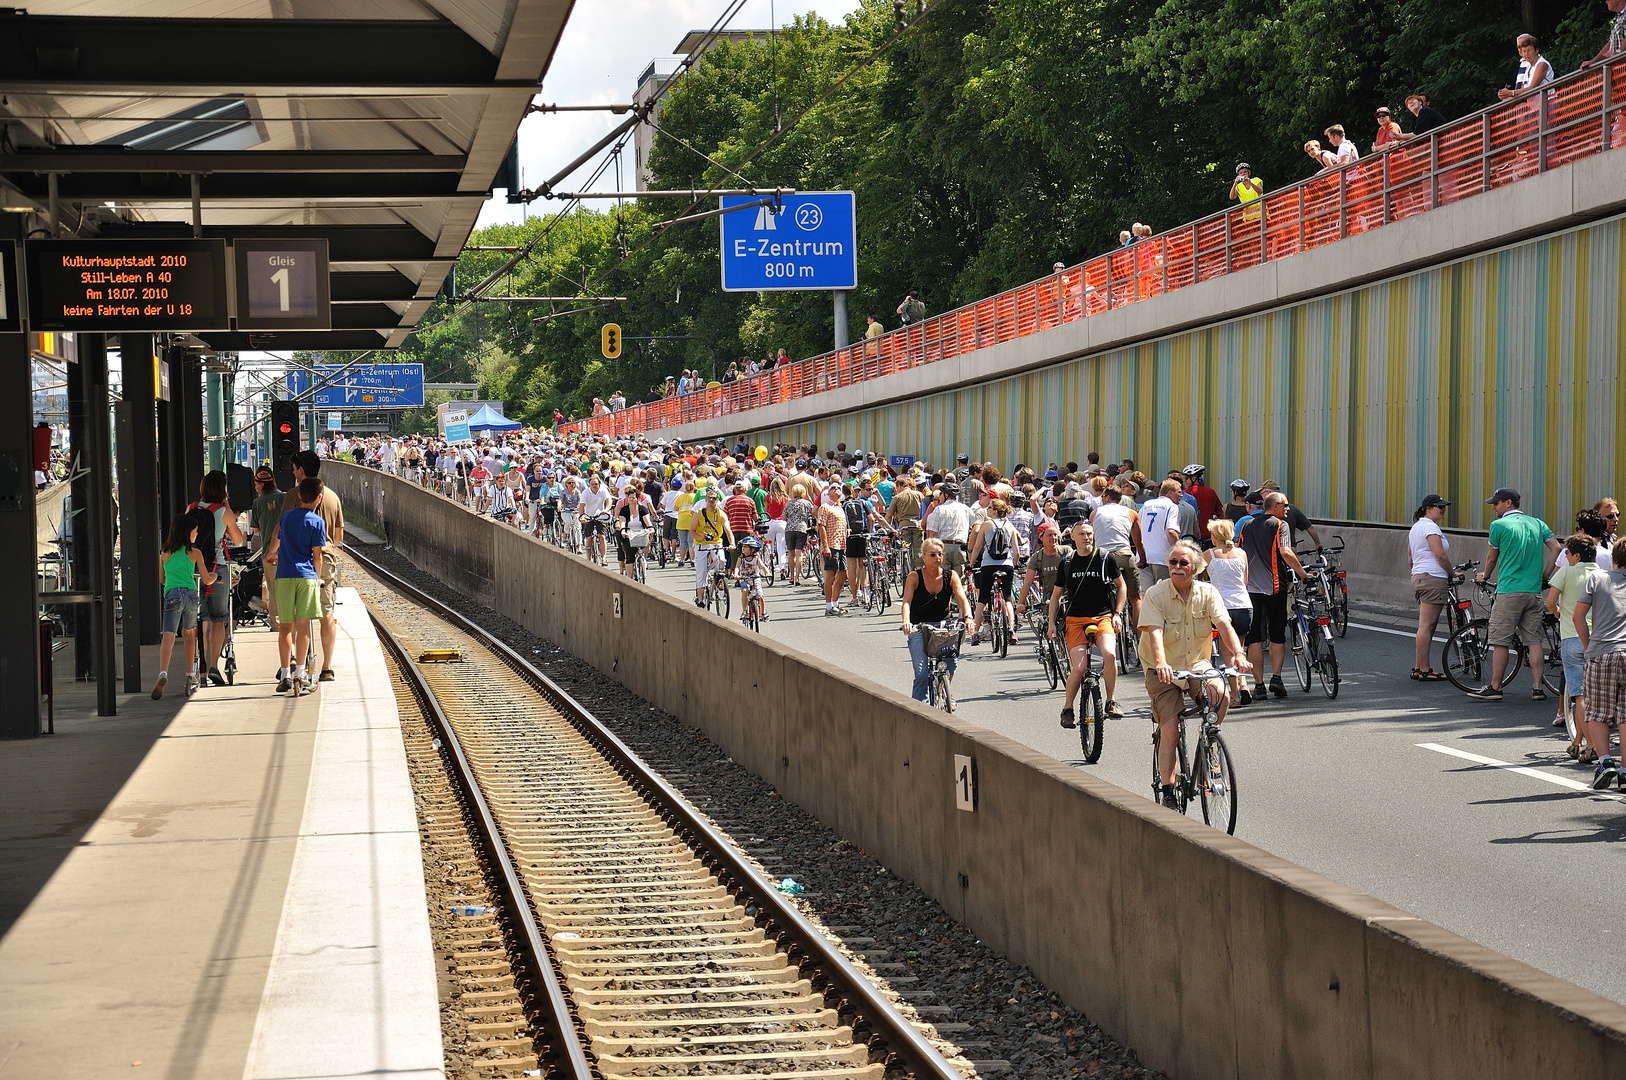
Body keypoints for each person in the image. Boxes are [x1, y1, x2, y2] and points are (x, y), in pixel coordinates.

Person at [1140, 539, 1251, 809]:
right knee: (1170, 730)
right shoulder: (1156, 594)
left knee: (1221, 693)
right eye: (1173, 562)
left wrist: (1238, 653)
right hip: (1162, 667)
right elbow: (1154, 633)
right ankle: (1168, 790)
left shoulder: (1208, 593)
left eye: (1183, 563)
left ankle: (1209, 741)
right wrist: (1161, 663)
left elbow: (1224, 625)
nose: (1177, 567)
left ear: (1197, 568)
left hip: (1196, 664)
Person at [1473, 487, 1560, 701]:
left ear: (1509, 503)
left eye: (1496, 503)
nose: (1493, 507)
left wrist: (1485, 575)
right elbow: (1557, 548)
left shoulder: (1498, 525)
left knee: (1500, 640)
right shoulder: (1537, 523)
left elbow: (1492, 558)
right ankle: (1538, 688)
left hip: (1509, 590)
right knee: (1534, 640)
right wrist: (1545, 577)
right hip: (1533, 591)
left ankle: (1495, 687)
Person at [1049, 520, 1125, 726]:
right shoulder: (1067, 562)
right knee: (1079, 668)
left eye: (1089, 533)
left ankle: (1111, 701)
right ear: (1072, 537)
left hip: (1102, 617)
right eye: (1082, 534)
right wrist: (1052, 624)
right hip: (1075, 620)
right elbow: (1056, 595)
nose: (1087, 537)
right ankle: (1067, 708)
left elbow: (1122, 586)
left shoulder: (1104, 558)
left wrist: (1117, 614)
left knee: (1109, 654)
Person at [1240, 491, 1309, 699]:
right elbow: (1286, 552)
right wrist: (1303, 574)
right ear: (1275, 506)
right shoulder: (1281, 525)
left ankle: (1258, 685)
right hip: (1275, 587)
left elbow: (1240, 552)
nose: (1288, 509)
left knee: (1255, 638)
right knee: (1277, 633)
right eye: (1285, 506)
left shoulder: (1247, 525)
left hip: (1251, 589)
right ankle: (1276, 679)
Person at [1573, 541, 1626, 790]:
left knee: (1597, 712)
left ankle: (1605, 762)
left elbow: (1578, 615)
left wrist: (1588, 645)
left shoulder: (1597, 578)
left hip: (1601, 652)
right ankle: (1625, 771)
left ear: (1614, 558)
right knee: (1625, 716)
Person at [187, 470, 246, 688]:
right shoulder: (223, 512)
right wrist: (228, 508)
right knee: (218, 616)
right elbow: (238, 540)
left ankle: (200, 670)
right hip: (216, 568)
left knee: (199, 617)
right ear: (223, 490)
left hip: (192, 569)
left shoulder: (191, 508)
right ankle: (213, 666)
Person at [270, 477, 328, 696]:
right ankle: (300, 674)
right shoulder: (317, 522)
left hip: (284, 575)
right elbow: (317, 555)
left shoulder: (286, 517)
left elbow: (279, 537)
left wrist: (272, 553)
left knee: (286, 627)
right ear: (319, 498)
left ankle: (285, 672)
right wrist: (317, 577)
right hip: (306, 577)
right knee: (303, 626)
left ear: (300, 496)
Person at [900, 538, 973, 702]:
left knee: (951, 664)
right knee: (921, 674)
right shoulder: (915, 577)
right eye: (932, 554)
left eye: (940, 554)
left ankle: (944, 689)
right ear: (923, 557)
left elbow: (962, 599)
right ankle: (918, 709)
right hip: (919, 628)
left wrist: (968, 617)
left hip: (943, 627)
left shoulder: (950, 576)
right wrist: (906, 621)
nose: (937, 558)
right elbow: (906, 602)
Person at [1549, 534, 1601, 762]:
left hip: (1571, 637)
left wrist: (1559, 613)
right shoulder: (1601, 574)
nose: (1566, 557)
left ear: (1577, 555)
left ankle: (1592, 745)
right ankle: (1578, 741)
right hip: (1598, 640)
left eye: (1568, 553)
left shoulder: (1566, 572)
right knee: (1596, 695)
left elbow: (1550, 602)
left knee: (1579, 695)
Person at [152, 514, 216, 700]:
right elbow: (205, 579)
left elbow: (162, 580)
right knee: (189, 635)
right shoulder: (195, 553)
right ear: (188, 532)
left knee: (168, 637)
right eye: (195, 530)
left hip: (172, 595)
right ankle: (190, 675)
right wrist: (214, 576)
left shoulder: (165, 552)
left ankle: (163, 673)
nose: (197, 533)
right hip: (190, 595)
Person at [1206, 519, 1254, 707]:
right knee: (1239, 648)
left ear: (1216, 537)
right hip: (1244, 604)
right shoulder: (1241, 553)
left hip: (1222, 606)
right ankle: (1244, 684)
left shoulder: (1209, 555)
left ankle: (1234, 695)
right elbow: (1245, 581)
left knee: (1228, 653)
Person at [1408, 494, 1454, 681]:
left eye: (1444, 506)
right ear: (1428, 508)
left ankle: (1419, 667)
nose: (1442, 509)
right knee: (1426, 626)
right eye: (1439, 506)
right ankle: (1425, 670)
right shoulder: (1429, 527)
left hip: (1419, 577)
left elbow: (1410, 557)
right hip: (1433, 578)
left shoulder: (1416, 527)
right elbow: (1440, 555)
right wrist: (1453, 573)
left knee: (1427, 625)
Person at [967, 498, 1020, 646]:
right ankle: (1011, 629)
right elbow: (1016, 552)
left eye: (990, 508)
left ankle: (976, 632)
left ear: (995, 511)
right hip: (1006, 565)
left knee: (982, 599)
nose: (987, 510)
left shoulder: (986, 525)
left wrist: (971, 564)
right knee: (1008, 598)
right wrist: (1013, 565)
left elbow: (977, 547)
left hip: (988, 565)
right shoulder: (1010, 526)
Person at [249, 465, 285, 625]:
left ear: (261, 485)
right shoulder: (285, 497)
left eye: (256, 484)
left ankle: (277, 624)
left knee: (274, 589)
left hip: (269, 554)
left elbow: (256, 530)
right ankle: (291, 622)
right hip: (289, 552)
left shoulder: (257, 503)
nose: (255, 487)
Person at [690, 486, 735, 608]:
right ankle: (700, 599)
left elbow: (728, 530)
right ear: (705, 499)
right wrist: (700, 537)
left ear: (717, 500)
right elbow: (692, 531)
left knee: (721, 562)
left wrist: (732, 543)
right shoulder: (699, 513)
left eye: (714, 498)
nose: (711, 500)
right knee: (702, 572)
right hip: (701, 544)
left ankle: (715, 585)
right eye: (709, 498)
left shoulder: (721, 514)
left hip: (716, 542)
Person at [1136, 478, 1182, 591]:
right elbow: (1171, 531)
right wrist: (1180, 549)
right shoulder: (1172, 507)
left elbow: (1137, 527)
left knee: (1146, 596)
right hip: (1162, 558)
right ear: (1170, 492)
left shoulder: (1147, 504)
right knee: (1163, 595)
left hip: (1144, 556)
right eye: (1179, 492)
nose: (1181, 495)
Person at [925, 482, 974, 579]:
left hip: (943, 547)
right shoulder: (965, 509)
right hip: (960, 547)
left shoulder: (939, 509)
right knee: (960, 580)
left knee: (943, 578)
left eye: (941, 494)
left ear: (946, 495)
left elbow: (933, 533)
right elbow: (975, 525)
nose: (940, 497)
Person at [817, 483, 850, 615]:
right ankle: (828, 606)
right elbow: (821, 526)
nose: (836, 489)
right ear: (828, 493)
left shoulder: (840, 507)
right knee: (831, 576)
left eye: (838, 488)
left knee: (843, 575)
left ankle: (835, 604)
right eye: (832, 488)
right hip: (831, 545)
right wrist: (825, 546)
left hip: (841, 545)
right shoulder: (825, 507)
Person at [614, 478, 655, 578]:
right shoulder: (624, 510)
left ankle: (643, 559)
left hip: (641, 532)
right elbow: (622, 522)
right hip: (629, 533)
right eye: (630, 497)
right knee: (630, 556)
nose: (631, 499)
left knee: (647, 543)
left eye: (633, 498)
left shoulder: (642, 509)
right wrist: (623, 530)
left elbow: (647, 520)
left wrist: (650, 528)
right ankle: (629, 578)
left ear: (638, 499)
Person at [1500, 34, 1553, 101]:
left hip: (1547, 103)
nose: (1526, 54)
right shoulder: (1528, 67)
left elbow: (1532, 88)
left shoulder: (1542, 64)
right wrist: (1506, 96)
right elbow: (1523, 89)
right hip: (1535, 106)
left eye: (1529, 50)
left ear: (1536, 50)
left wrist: (1511, 93)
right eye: (1524, 51)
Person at [783, 483, 816, 584]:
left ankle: (791, 577)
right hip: (802, 528)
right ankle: (797, 577)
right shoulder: (806, 503)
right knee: (799, 554)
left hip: (789, 529)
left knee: (791, 554)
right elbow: (813, 513)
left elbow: (784, 517)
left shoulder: (788, 503)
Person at [1582, 0, 1626, 70]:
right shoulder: (1618, 17)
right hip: (1618, 73)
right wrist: (1592, 62)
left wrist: (1619, 52)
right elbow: (1610, 44)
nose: (1606, 2)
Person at [736, 534, 769, 623]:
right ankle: (744, 611)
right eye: (743, 546)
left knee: (760, 596)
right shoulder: (741, 558)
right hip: (745, 579)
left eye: (746, 547)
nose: (743, 548)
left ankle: (763, 612)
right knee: (745, 591)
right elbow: (737, 567)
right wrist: (736, 574)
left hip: (756, 578)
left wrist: (767, 572)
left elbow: (763, 566)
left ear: (752, 549)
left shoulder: (756, 558)